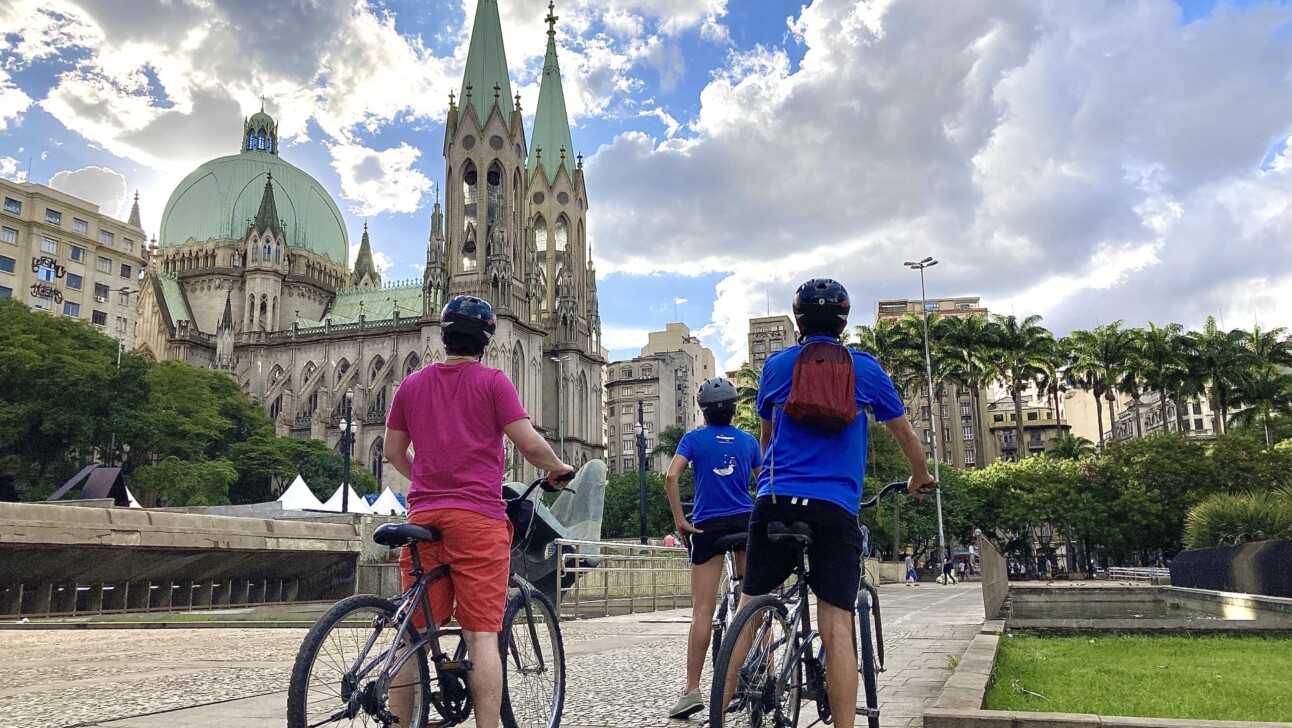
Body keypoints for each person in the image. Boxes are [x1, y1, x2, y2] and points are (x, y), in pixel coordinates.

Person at [724, 278, 937, 728]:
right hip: (835, 507)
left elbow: (767, 436)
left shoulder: (777, 366)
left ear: (798, 320)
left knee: (750, 602)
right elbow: (906, 435)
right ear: (844, 320)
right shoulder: (866, 369)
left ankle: (718, 709)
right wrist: (919, 475)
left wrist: (763, 474)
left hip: (777, 501)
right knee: (836, 623)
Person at [383, 295, 574, 728]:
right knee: (482, 635)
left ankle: (398, 721)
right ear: (486, 341)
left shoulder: (411, 385)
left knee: (412, 633)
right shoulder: (492, 382)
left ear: (443, 335)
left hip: (422, 519)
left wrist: (427, 481)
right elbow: (528, 443)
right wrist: (557, 467)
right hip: (477, 519)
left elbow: (393, 452)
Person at [665, 377, 761, 719]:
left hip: (706, 526)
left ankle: (692, 690)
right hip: (746, 523)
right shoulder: (748, 441)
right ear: (734, 409)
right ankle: (763, 670)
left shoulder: (693, 439)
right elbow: (763, 480)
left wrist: (680, 520)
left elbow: (672, 476)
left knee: (702, 610)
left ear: (703, 411)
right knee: (754, 599)